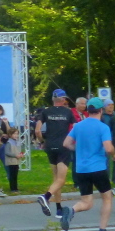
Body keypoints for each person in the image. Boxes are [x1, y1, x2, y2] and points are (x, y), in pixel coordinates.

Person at [60, 98, 115, 231]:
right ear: (101, 111)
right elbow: (108, 148)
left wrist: (78, 149)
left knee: (87, 202)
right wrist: (114, 154)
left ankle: (71, 210)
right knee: (107, 198)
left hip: (81, 169)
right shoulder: (103, 127)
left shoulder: (79, 126)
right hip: (98, 168)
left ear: (88, 110)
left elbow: (66, 143)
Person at [36, 89, 76, 218]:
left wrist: (42, 141)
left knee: (56, 179)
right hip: (63, 146)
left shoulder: (45, 112)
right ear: (63, 99)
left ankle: (59, 209)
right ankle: (45, 197)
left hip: (50, 146)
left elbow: (37, 131)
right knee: (61, 179)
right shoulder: (68, 112)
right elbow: (76, 127)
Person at [70, 97, 88, 187]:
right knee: (76, 161)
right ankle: (76, 182)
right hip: (75, 141)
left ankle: (85, 180)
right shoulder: (71, 113)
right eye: (82, 103)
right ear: (76, 104)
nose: (84, 105)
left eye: (85, 104)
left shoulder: (86, 114)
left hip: (86, 141)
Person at [101, 99, 115, 184]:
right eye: (109, 105)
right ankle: (106, 179)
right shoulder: (102, 116)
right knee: (106, 160)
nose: (111, 106)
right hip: (105, 140)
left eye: (112, 104)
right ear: (104, 107)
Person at [4, 127, 23, 192]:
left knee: (15, 175)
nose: (16, 135)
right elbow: (7, 152)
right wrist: (15, 155)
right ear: (10, 135)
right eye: (14, 134)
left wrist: (20, 154)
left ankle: (15, 188)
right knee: (12, 175)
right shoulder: (9, 143)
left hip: (16, 161)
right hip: (11, 162)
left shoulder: (16, 142)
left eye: (17, 134)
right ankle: (12, 188)